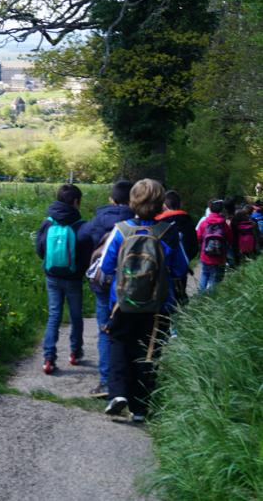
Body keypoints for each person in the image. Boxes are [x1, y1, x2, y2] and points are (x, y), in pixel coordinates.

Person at [98, 179, 189, 421]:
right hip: (158, 306)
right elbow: (180, 269)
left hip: (121, 303)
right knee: (148, 352)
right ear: (161, 204)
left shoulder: (120, 230)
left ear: (132, 201)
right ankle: (140, 408)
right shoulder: (169, 233)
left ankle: (117, 394)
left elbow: (106, 266)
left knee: (119, 345)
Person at [79, 180, 134, 398]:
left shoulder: (98, 220)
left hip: (103, 281)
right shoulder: (134, 220)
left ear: (111, 198)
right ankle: (126, 382)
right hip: (130, 283)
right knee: (128, 330)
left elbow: (81, 239)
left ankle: (104, 381)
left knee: (105, 329)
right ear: (132, 199)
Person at [36, 184, 93, 374]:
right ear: (76, 202)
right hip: (74, 278)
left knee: (54, 316)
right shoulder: (80, 225)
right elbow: (87, 253)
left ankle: (48, 359)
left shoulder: (48, 222)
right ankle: (75, 353)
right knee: (76, 316)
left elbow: (40, 249)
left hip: (52, 276)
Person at [155, 190, 198, 304]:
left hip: (163, 268)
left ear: (164, 205)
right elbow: (194, 244)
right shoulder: (188, 220)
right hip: (182, 266)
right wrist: (187, 260)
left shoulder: (158, 223)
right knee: (180, 293)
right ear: (180, 204)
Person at [197, 199, 233, 291]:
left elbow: (198, 237)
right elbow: (230, 238)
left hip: (205, 255)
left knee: (204, 274)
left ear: (210, 209)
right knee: (214, 277)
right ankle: (211, 299)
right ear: (221, 211)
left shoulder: (204, 222)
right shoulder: (223, 224)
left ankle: (200, 298)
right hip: (219, 256)